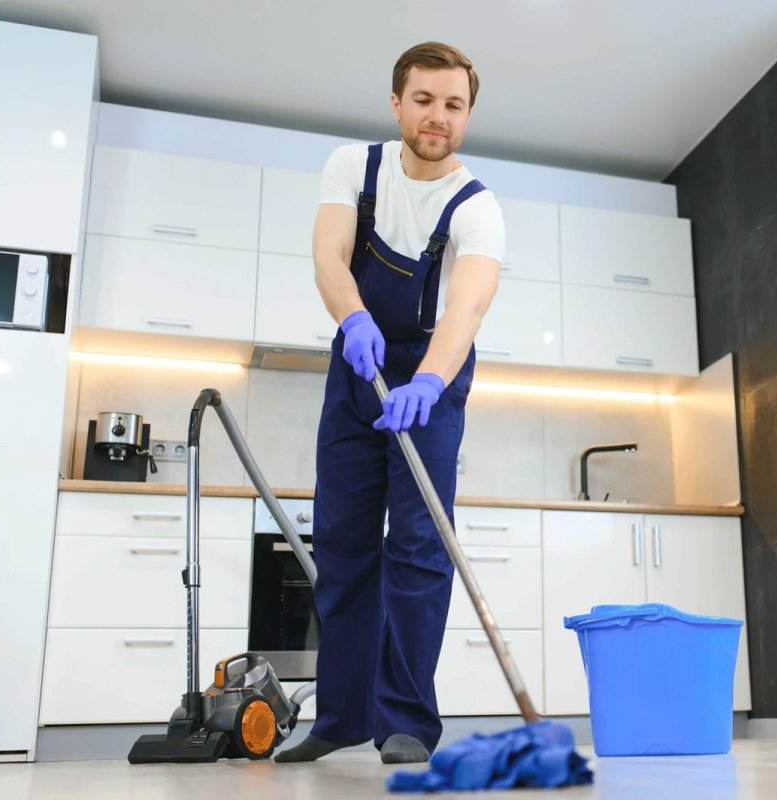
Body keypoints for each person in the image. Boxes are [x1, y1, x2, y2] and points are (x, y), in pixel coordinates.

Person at [275, 41, 504, 764]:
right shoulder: (354, 167)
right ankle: (339, 716)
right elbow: (328, 257)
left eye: (454, 104)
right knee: (342, 542)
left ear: (468, 114)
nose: (438, 116)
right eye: (426, 100)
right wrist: (353, 319)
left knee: (418, 545)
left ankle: (405, 721)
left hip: (433, 369)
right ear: (398, 102)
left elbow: (466, 310)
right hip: (359, 361)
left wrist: (430, 382)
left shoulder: (479, 207)